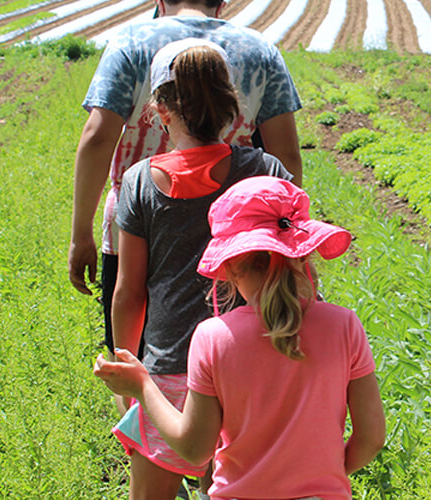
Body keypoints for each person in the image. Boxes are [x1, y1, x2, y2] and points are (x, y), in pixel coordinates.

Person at [96, 175, 386, 500]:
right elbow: (372, 437)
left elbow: (195, 449)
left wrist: (143, 386)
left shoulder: (213, 338)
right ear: (302, 253)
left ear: (230, 266)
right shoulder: (344, 325)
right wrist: (321, 476)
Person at [107, 40, 294, 499]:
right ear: (230, 103)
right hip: (250, 367)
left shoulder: (138, 184)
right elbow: (292, 269)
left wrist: (127, 371)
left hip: (169, 370)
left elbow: (130, 293)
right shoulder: (264, 170)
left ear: (160, 110)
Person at [68, 0, 303, 357]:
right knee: (236, 354)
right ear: (221, 5)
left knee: (140, 345)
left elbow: (98, 137)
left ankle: (143, 406)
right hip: (237, 237)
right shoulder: (259, 51)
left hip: (139, 228)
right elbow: (285, 155)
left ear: (160, 3)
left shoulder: (130, 42)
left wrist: (80, 232)